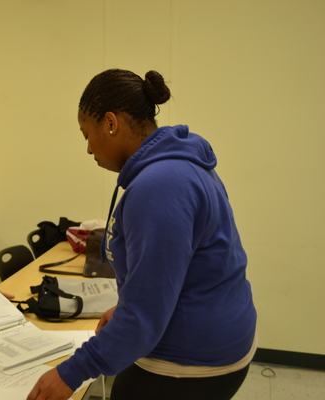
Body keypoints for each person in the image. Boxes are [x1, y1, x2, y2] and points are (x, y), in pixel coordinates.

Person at [27, 69, 257, 400]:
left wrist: (69, 373)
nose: (89, 149)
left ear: (110, 122)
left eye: (86, 135)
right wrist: (127, 305)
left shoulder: (159, 185)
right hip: (219, 332)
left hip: (193, 359)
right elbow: (177, 271)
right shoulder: (177, 165)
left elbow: (144, 317)